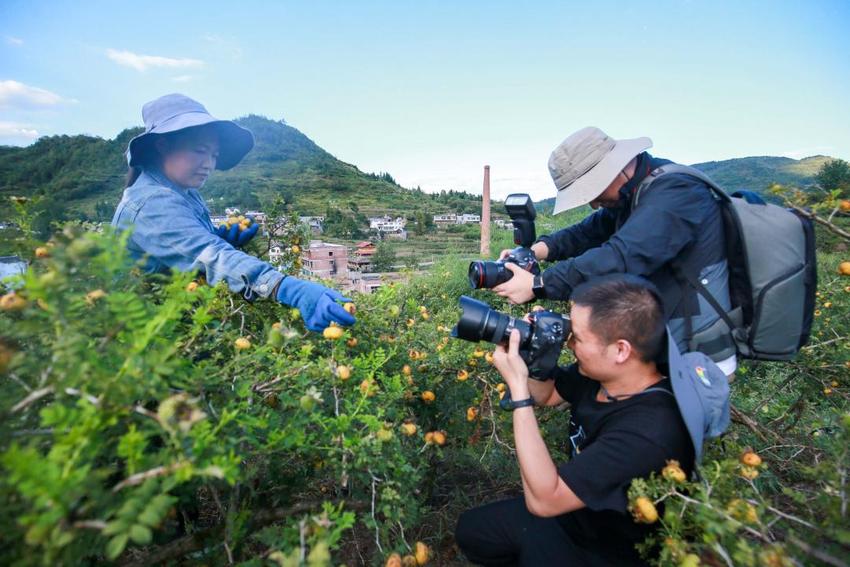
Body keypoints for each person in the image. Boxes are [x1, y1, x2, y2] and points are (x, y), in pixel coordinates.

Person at [455, 275, 730, 566]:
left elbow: (544, 501)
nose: (569, 343)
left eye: (578, 337)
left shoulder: (649, 433)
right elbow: (547, 395)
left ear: (621, 350)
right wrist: (533, 353)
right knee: (473, 532)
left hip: (610, 550)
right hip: (574, 516)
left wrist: (519, 394)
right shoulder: (604, 374)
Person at [492, 127, 736, 376]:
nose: (593, 203)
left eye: (592, 191)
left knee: (687, 415)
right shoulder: (635, 192)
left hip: (698, 354)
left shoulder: (676, 191)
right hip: (663, 337)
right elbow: (587, 232)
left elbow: (621, 257)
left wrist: (538, 283)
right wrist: (534, 252)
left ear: (614, 169)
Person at [112, 93, 354, 332]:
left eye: (214, 155)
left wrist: (219, 235)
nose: (209, 164)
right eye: (200, 151)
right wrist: (291, 289)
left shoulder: (182, 192)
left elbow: (185, 246)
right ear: (163, 146)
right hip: (139, 334)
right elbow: (212, 257)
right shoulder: (152, 202)